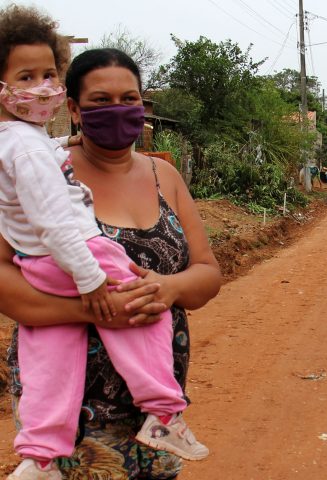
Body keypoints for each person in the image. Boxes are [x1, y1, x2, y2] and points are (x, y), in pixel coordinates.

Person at [0, 37, 221, 480]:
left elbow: (208, 273)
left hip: (150, 411)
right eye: (101, 100)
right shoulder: (41, 170)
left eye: (129, 99)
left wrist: (170, 286)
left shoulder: (165, 175)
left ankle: (164, 413)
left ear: (143, 106)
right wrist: (99, 310)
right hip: (71, 408)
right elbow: (5, 281)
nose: (117, 109)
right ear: (75, 109)